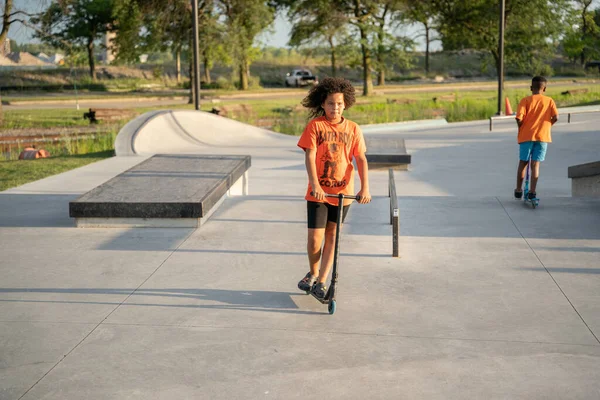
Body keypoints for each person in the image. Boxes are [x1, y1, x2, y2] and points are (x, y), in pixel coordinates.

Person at [296, 77, 371, 299]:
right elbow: (310, 156)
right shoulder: (315, 126)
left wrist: (365, 188)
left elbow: (361, 159)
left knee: (332, 236)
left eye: (339, 103)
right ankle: (313, 272)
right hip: (319, 193)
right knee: (314, 240)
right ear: (322, 104)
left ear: (345, 104)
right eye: (330, 103)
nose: (335, 108)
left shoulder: (353, 128)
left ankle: (322, 280)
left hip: (343, 193)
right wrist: (316, 185)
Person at [514, 76, 558, 200]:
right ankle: (532, 191)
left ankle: (518, 190)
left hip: (526, 136)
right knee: (535, 164)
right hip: (543, 136)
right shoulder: (549, 101)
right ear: (544, 88)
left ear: (531, 88)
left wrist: (521, 128)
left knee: (523, 163)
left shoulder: (525, 100)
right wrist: (548, 125)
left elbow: (519, 118)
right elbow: (555, 117)